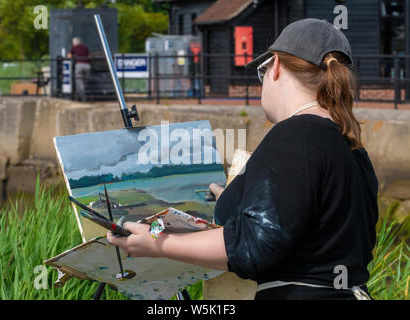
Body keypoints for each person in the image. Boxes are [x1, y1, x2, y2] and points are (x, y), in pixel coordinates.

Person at [106, 18, 379, 300]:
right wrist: (237, 199)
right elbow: (311, 224)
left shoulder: (293, 135)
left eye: (261, 73)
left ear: (276, 68)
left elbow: (254, 246)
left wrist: (157, 244)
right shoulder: (351, 147)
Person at [67, 37, 91, 101]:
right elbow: (89, 56)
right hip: (87, 65)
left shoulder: (74, 47)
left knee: (79, 81)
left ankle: (83, 98)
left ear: (74, 43)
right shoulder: (85, 47)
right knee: (85, 81)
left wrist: (72, 59)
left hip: (79, 65)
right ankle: (78, 96)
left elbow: (69, 56)